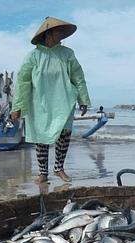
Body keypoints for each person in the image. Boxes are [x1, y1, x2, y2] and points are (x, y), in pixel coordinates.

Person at [11, 16, 90, 184]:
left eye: (62, 31)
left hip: (64, 101)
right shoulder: (34, 56)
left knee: (64, 135)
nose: (61, 34)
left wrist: (83, 99)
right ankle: (43, 173)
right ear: (48, 33)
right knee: (41, 137)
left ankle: (59, 169)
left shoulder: (67, 54)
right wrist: (17, 107)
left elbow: (78, 77)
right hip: (39, 104)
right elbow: (22, 81)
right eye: (58, 31)